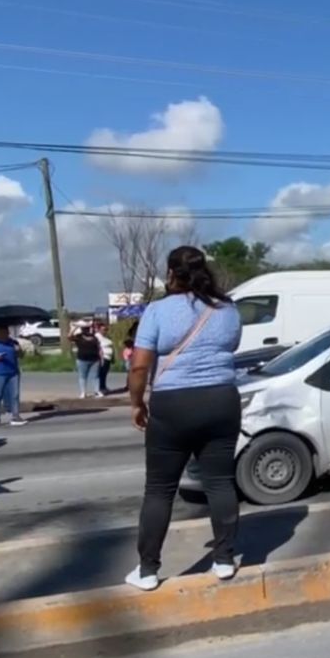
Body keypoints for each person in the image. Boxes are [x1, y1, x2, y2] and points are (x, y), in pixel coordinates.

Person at [125, 245, 243, 591]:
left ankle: (148, 570)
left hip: (173, 403)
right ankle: (223, 560)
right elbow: (231, 347)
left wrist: (137, 403)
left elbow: (140, 365)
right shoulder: (228, 309)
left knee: (160, 489)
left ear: (171, 273)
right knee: (220, 481)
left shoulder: (158, 310)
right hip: (222, 399)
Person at [71, 323, 103, 399]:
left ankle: (97, 391)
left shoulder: (94, 337)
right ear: (82, 330)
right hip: (82, 359)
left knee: (96, 376)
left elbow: (99, 348)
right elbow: (69, 336)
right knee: (82, 376)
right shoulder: (79, 337)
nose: (87, 330)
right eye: (85, 328)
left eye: (88, 328)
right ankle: (83, 392)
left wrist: (101, 358)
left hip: (95, 359)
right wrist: (75, 328)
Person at [96, 320, 114, 396]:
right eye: (103, 329)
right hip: (103, 357)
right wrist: (101, 358)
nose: (105, 331)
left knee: (105, 373)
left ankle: (104, 386)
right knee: (101, 374)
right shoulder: (97, 336)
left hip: (108, 357)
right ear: (99, 329)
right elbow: (98, 348)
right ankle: (100, 388)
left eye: (106, 329)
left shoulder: (107, 337)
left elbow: (111, 346)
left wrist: (113, 357)